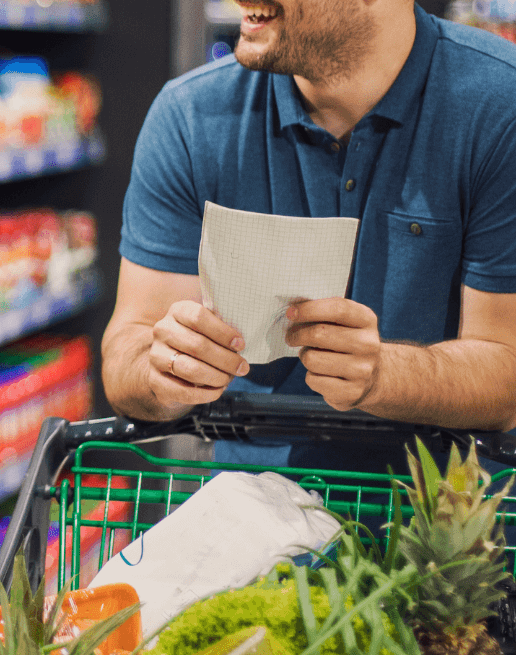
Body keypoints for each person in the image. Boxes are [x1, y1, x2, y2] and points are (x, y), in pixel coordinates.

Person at [102, 0, 516, 472]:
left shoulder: (499, 105)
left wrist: (383, 374)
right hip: (252, 524)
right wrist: (161, 370)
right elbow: (126, 351)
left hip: (442, 528)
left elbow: (506, 374)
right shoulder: (190, 118)